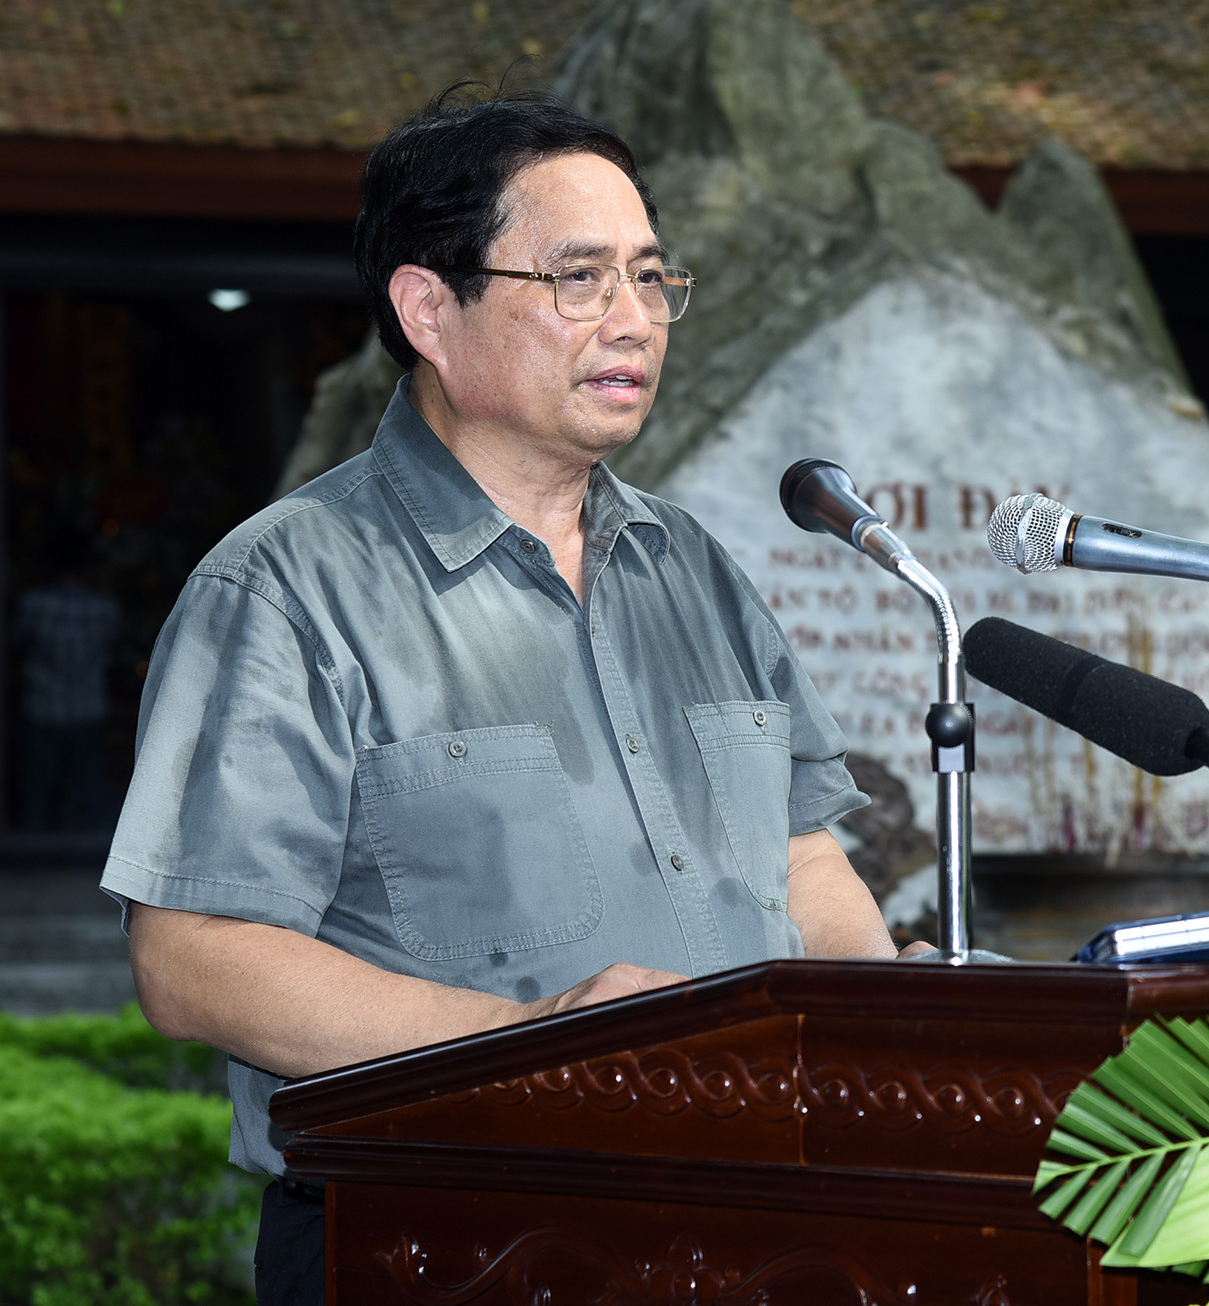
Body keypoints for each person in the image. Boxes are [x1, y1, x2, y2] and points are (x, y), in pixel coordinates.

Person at [100, 87, 916, 1306]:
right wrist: (537, 1044)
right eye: (579, 279)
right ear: (430, 307)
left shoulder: (696, 567)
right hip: (440, 1235)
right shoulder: (286, 587)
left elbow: (800, 867)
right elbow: (193, 956)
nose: (633, 320)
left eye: (651, 278)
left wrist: (890, 1050)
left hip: (758, 1222)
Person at [14, 524, 121, 831]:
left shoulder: (34, 605)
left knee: (37, 793)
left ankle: (29, 864)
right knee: (89, 790)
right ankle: (87, 866)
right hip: (89, 708)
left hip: (42, 708)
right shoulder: (104, 609)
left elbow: (18, 643)